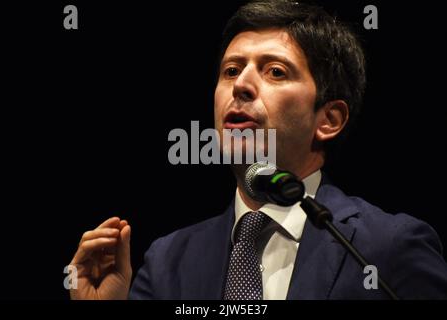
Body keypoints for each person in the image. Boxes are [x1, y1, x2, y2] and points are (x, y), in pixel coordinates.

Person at [69, 0, 447, 300]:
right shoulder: (167, 261)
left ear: (328, 119)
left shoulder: (387, 248)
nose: (242, 85)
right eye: (231, 70)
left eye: (275, 72)